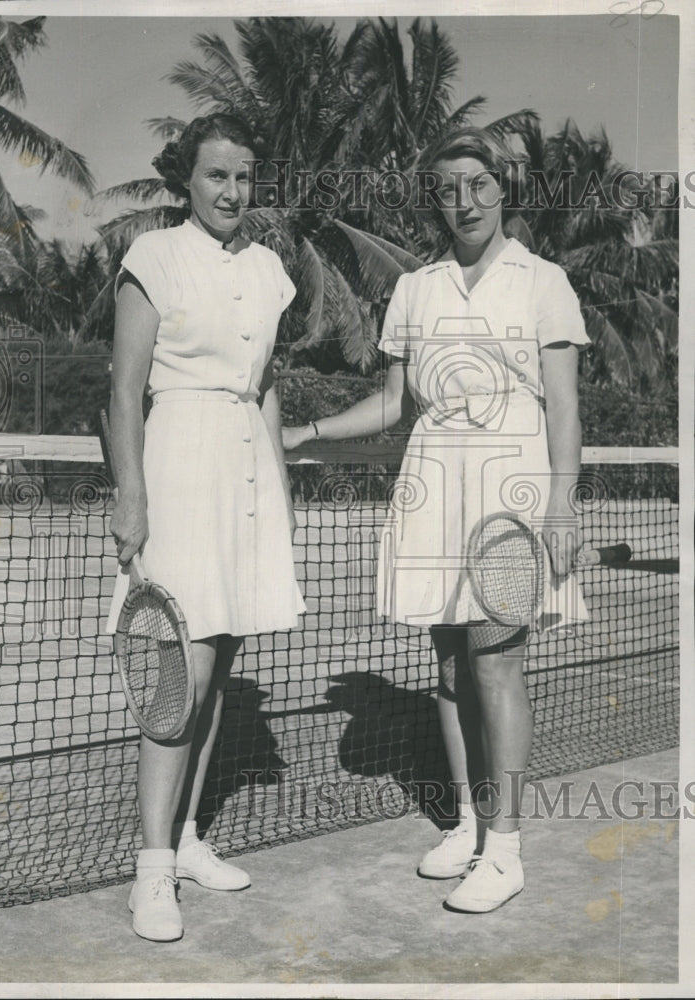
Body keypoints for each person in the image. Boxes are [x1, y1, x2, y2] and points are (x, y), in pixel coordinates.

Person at [283, 127, 590, 913]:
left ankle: (507, 847)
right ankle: (465, 821)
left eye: (479, 184)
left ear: (504, 187)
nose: (465, 202)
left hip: (512, 486)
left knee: (496, 662)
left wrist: (561, 503)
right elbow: (393, 403)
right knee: (450, 668)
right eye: (449, 187)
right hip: (433, 485)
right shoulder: (415, 288)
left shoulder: (544, 280)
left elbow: (564, 406)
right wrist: (307, 431)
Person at [106, 114, 304, 941]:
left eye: (244, 176)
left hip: (247, 474)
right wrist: (132, 495)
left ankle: (186, 840)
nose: (232, 191)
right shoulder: (151, 257)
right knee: (174, 675)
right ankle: (150, 871)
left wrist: (283, 500)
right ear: (186, 179)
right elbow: (122, 391)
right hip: (176, 461)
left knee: (218, 659)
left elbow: (262, 391)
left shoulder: (270, 270)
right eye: (216, 175)